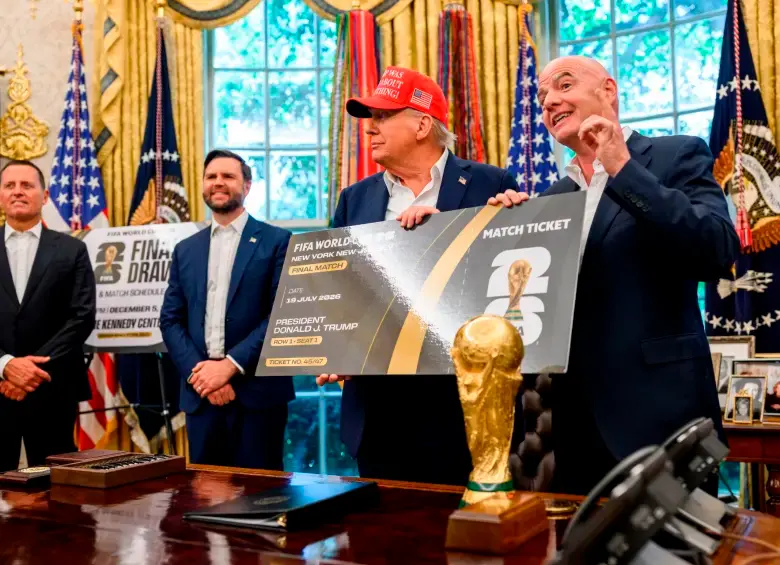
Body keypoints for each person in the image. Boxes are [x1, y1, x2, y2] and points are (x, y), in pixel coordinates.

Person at [490, 55, 740, 495]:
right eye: (543, 96)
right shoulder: (551, 198)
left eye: (563, 86)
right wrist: (506, 234)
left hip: (660, 419)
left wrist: (623, 168)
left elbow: (715, 249)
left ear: (609, 90)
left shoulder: (675, 154)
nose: (549, 101)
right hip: (566, 432)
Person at [316, 66, 521, 485]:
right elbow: (341, 289)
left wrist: (445, 232)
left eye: (382, 118)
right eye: (369, 120)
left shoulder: (491, 184)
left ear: (423, 124)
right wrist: (335, 347)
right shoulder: (354, 198)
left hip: (457, 408)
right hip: (377, 414)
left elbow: (508, 288)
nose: (369, 129)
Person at [160, 149, 294, 469]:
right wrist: (203, 374)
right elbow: (170, 320)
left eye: (228, 176)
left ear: (246, 186)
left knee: (259, 500)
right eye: (211, 177)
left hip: (258, 397)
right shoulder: (185, 250)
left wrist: (229, 367)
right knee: (205, 499)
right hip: (201, 397)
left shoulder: (278, 241)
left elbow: (281, 315)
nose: (218, 183)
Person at [0, 159, 96, 472]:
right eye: (9, 186)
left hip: (53, 386)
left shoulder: (72, 250)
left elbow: (82, 317)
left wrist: (30, 370)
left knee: (56, 492)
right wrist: (6, 365)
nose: (17, 192)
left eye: (27, 185)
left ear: (45, 196)